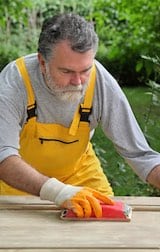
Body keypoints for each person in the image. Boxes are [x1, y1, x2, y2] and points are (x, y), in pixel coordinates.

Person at [0, 13, 159, 218]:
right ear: (42, 62)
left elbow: (141, 155)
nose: (78, 82)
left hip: (79, 174)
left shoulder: (100, 80)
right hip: (16, 181)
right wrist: (59, 192)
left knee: (109, 231)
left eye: (85, 70)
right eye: (66, 72)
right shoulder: (14, 83)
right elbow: (3, 155)